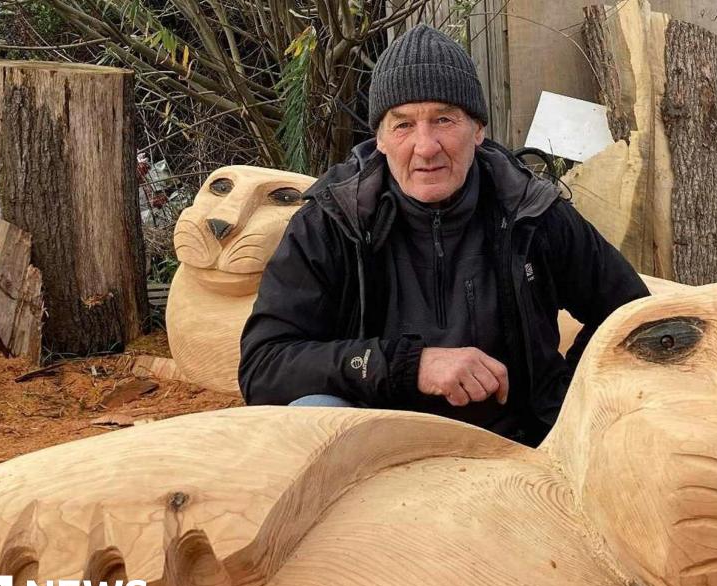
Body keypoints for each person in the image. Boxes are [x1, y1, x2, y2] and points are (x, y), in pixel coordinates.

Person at [238, 24, 648, 446]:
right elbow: (264, 366)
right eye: (403, 125)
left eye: (444, 119)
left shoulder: (532, 211)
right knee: (313, 416)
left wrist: (571, 400)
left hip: (522, 451)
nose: (426, 146)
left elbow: (631, 313)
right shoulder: (332, 222)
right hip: (377, 453)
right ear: (379, 138)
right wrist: (409, 366)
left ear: (478, 130)